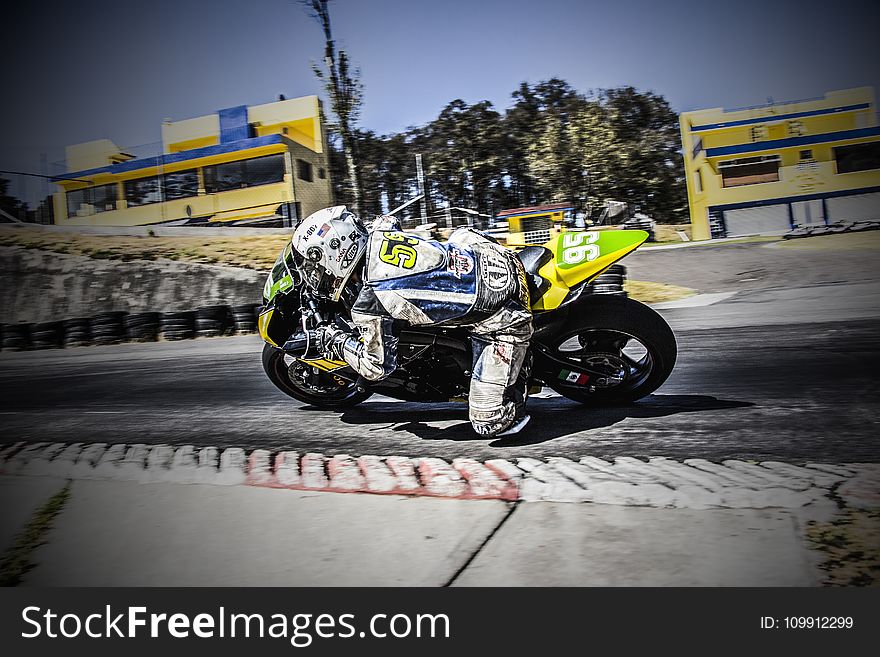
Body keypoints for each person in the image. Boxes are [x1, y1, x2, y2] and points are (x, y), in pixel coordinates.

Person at [291, 205, 533, 437]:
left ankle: (523, 369)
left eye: (315, 264)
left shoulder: (371, 301)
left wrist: (335, 339)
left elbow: (376, 368)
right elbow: (387, 220)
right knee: (459, 234)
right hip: (494, 255)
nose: (315, 272)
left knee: (488, 422)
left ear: (337, 253)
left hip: (507, 315)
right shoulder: (378, 233)